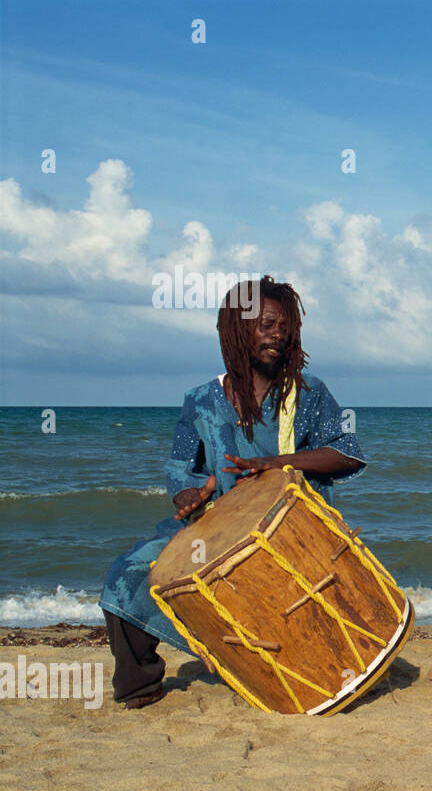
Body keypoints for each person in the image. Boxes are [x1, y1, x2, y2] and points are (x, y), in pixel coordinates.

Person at [99, 277, 366, 708]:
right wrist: (187, 495)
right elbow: (183, 467)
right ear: (236, 330)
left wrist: (274, 464)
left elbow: (346, 453)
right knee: (126, 574)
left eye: (284, 326)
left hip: (292, 530)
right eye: (264, 325)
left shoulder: (310, 394)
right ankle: (140, 684)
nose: (277, 334)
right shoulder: (201, 400)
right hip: (216, 528)